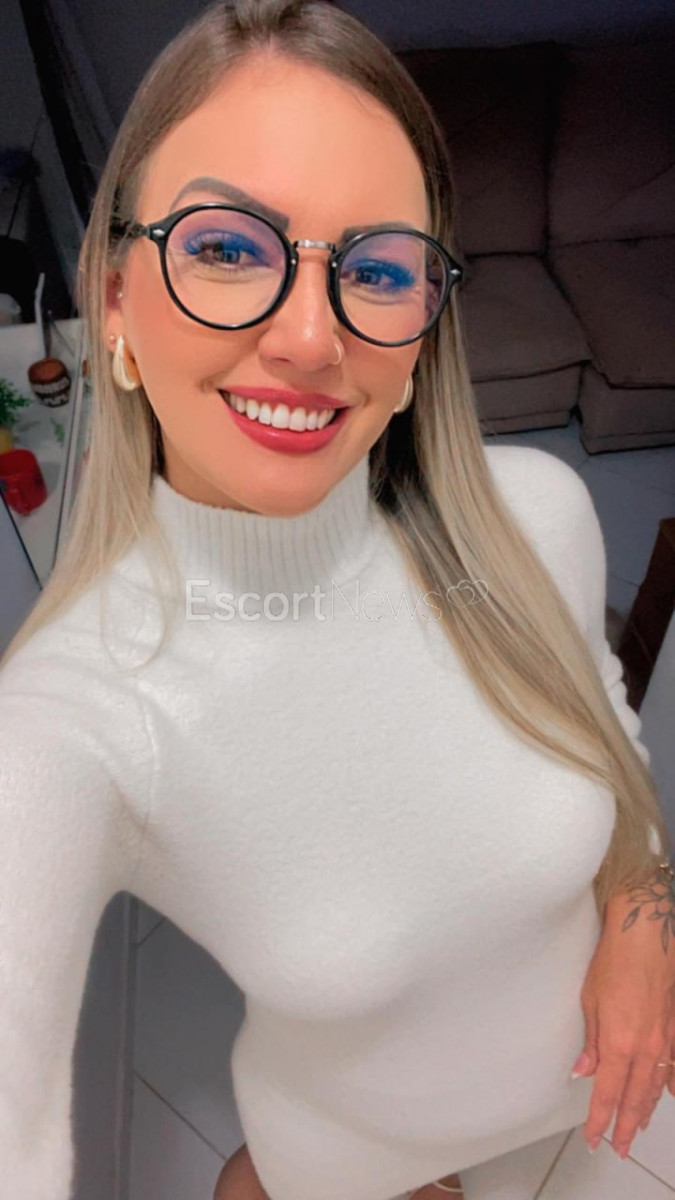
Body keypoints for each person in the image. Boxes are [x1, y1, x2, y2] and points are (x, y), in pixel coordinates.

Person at [1, 3, 672, 1199]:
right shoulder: (79, 711)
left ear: (420, 335)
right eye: (226, 248)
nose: (311, 339)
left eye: (376, 268)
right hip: (345, 1158)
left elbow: (612, 742)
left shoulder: (536, 517)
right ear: (114, 303)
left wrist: (642, 912)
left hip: (573, 1108)